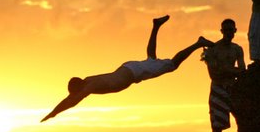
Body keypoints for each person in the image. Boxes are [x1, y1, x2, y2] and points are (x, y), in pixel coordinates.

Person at [41, 16, 211, 122]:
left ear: (79, 89)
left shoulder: (89, 87)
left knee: (172, 65)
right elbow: (69, 98)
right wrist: (53, 111)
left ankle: (199, 43)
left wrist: (54, 113)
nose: (76, 95)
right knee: (151, 59)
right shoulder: (88, 79)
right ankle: (156, 26)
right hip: (128, 68)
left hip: (133, 72)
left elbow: (71, 101)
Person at [202, 19, 245, 132]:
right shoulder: (213, 50)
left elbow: (242, 70)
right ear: (222, 31)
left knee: (243, 123)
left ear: (234, 31)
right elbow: (214, 74)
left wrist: (224, 69)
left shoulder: (237, 49)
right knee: (217, 130)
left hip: (232, 89)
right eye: (226, 30)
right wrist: (232, 71)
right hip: (218, 89)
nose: (228, 33)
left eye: (230, 30)